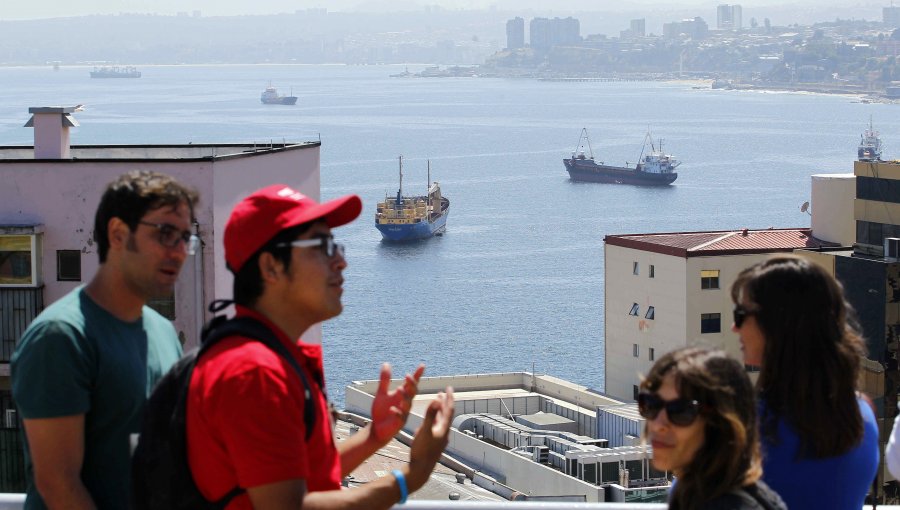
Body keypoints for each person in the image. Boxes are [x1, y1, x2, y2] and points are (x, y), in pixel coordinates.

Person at [186, 184, 455, 509]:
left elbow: (301, 478)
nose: (341, 261)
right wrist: (411, 476)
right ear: (271, 267)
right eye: (322, 247)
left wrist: (374, 436)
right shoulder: (255, 373)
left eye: (335, 245)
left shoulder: (269, 357)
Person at [11, 170, 199, 509]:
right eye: (167, 234)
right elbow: (58, 485)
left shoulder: (162, 332)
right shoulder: (61, 337)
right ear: (117, 233)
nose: (180, 251)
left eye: (186, 238)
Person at [731, 255, 879, 509]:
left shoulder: (745, 427)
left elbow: (686, 499)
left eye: (741, 314)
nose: (736, 327)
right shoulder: (861, 415)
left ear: (777, 324)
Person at [640, 346, 786, 510]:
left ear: (722, 425)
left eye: (681, 411)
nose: (658, 425)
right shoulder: (699, 492)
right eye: (651, 404)